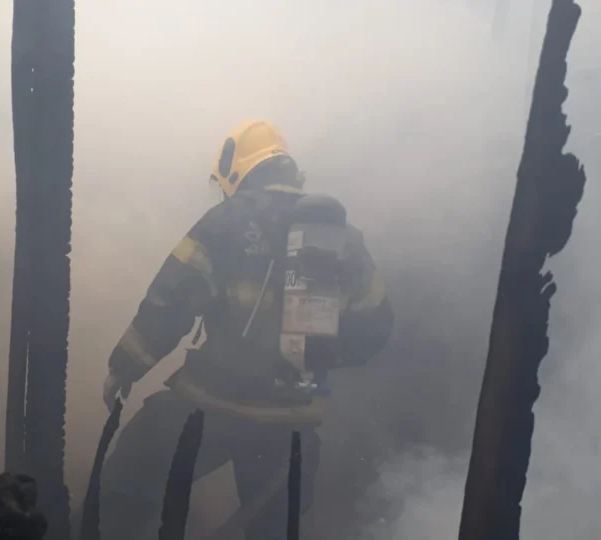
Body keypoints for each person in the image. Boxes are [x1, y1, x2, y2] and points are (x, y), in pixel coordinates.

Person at [99, 119, 394, 540]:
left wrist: (124, 366)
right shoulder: (343, 238)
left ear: (235, 172)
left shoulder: (225, 221)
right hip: (291, 422)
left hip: (210, 404)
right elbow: (376, 325)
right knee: (271, 529)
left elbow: (171, 301)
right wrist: (320, 355)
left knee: (124, 487)